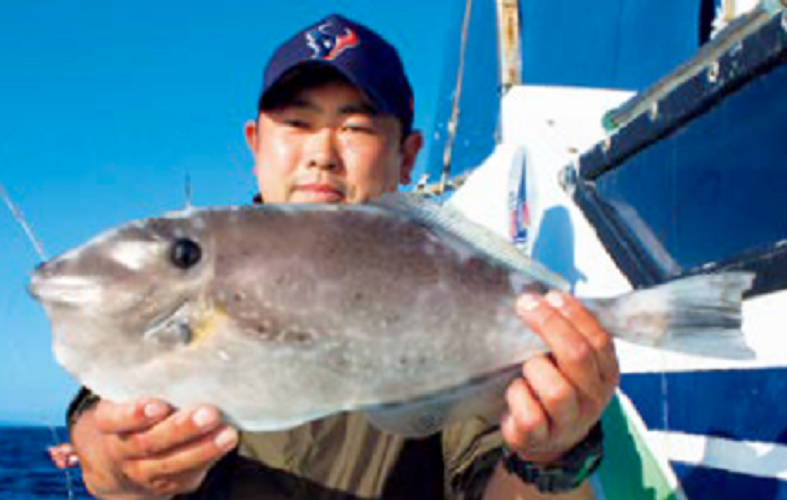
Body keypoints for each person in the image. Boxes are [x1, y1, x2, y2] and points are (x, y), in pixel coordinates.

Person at [66, 14, 619, 500]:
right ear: (256, 144)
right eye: (298, 123)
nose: (322, 154)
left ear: (407, 155)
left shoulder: (444, 283)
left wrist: (550, 456)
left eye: (354, 126)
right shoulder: (193, 267)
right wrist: (111, 460)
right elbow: (104, 418)